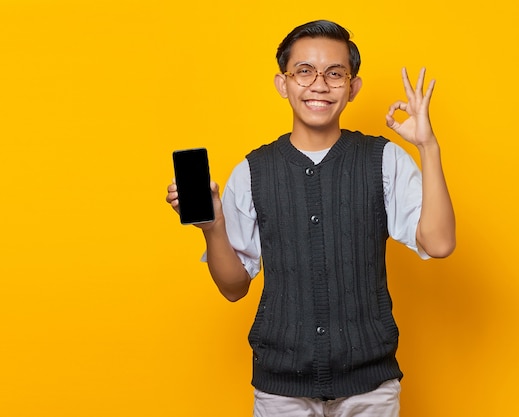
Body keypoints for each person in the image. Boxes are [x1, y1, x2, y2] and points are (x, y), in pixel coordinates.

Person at [166, 19, 455, 417]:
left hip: (370, 387)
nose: (319, 84)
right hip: (281, 389)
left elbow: (439, 244)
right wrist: (213, 227)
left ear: (353, 87)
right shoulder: (252, 171)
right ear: (282, 83)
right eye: (304, 71)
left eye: (335, 73)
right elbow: (233, 287)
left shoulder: (383, 159)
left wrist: (428, 146)